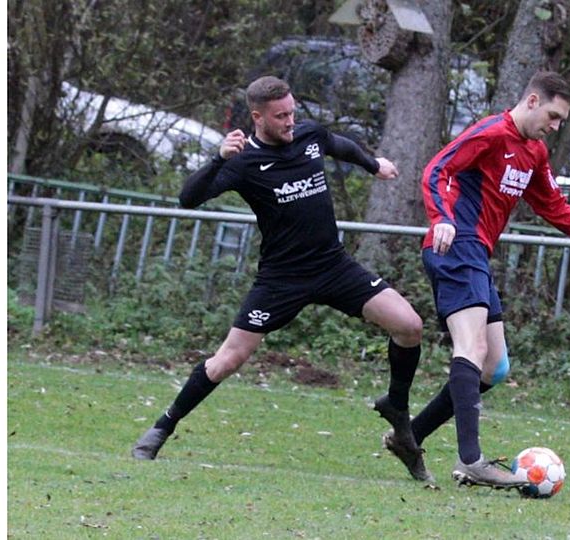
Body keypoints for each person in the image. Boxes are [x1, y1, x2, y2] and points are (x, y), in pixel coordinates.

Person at [131, 76, 425, 467]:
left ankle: (397, 407)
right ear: (258, 117)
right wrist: (219, 158)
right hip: (281, 279)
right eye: (280, 116)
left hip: (334, 266)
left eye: (292, 113)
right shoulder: (244, 162)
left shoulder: (309, 136)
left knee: (410, 325)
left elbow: (338, 144)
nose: (290, 121)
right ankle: (160, 429)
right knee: (227, 361)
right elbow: (188, 198)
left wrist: (374, 165)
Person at [379, 71, 570, 489]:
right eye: (553, 116)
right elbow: (436, 170)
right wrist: (442, 218)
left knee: (494, 366)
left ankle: (409, 435)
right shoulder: (491, 133)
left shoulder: (533, 152)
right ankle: (471, 460)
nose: (555, 127)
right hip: (455, 246)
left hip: (476, 254)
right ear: (532, 101)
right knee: (472, 346)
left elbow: (554, 206)